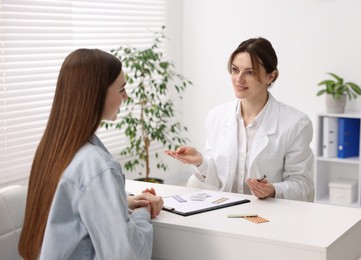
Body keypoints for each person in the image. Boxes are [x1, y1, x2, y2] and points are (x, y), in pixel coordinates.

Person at [18, 49, 164, 260]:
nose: (126, 96)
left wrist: (122, 201)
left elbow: (68, 209)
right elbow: (126, 255)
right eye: (121, 88)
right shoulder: (97, 165)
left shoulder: (52, 150)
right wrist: (143, 212)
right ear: (96, 93)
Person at [165, 37, 314, 202]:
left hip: (270, 215)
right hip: (223, 212)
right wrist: (200, 162)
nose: (239, 79)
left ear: (270, 77)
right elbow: (216, 182)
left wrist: (273, 190)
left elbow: (303, 184)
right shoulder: (217, 117)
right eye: (235, 70)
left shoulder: (296, 123)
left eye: (250, 72)